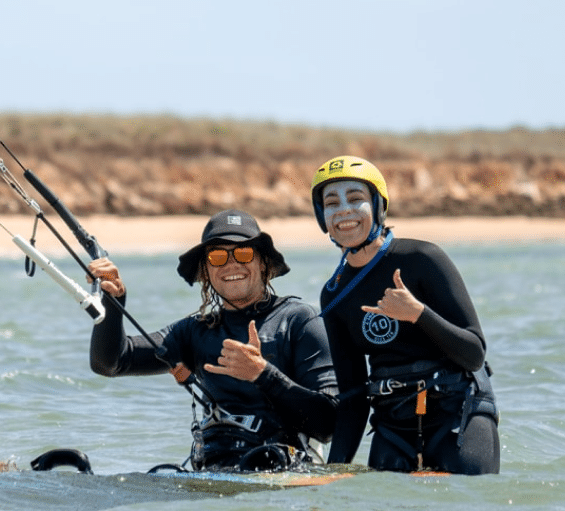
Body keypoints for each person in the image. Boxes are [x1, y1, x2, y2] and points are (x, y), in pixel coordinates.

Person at [87, 209, 338, 471]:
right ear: (206, 270)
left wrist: (262, 374)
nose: (231, 264)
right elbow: (111, 363)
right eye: (217, 256)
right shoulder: (194, 332)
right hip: (214, 474)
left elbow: (330, 425)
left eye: (244, 253)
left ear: (263, 262)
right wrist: (113, 302)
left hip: (280, 474)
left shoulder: (299, 321)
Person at [310, 155, 500, 475]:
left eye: (356, 199)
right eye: (331, 203)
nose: (343, 209)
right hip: (394, 423)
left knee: (465, 499)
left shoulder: (423, 259)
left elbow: (474, 354)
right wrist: (334, 471)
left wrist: (418, 314)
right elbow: (354, 396)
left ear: (378, 206)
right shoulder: (334, 294)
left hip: (457, 408)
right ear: (322, 216)